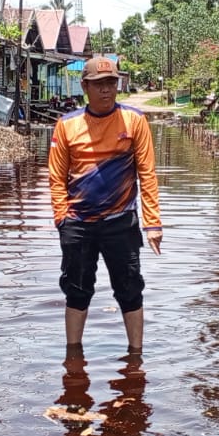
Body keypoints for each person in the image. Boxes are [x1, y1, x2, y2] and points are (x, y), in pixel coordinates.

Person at [48, 56, 164, 352]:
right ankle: (73, 358)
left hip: (120, 222)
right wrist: (62, 218)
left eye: (111, 82)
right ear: (85, 86)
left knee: (130, 290)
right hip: (77, 223)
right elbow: (56, 177)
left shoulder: (134, 121)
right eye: (99, 84)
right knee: (76, 290)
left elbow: (147, 174)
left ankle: (136, 358)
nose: (106, 90)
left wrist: (152, 223)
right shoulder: (67, 126)